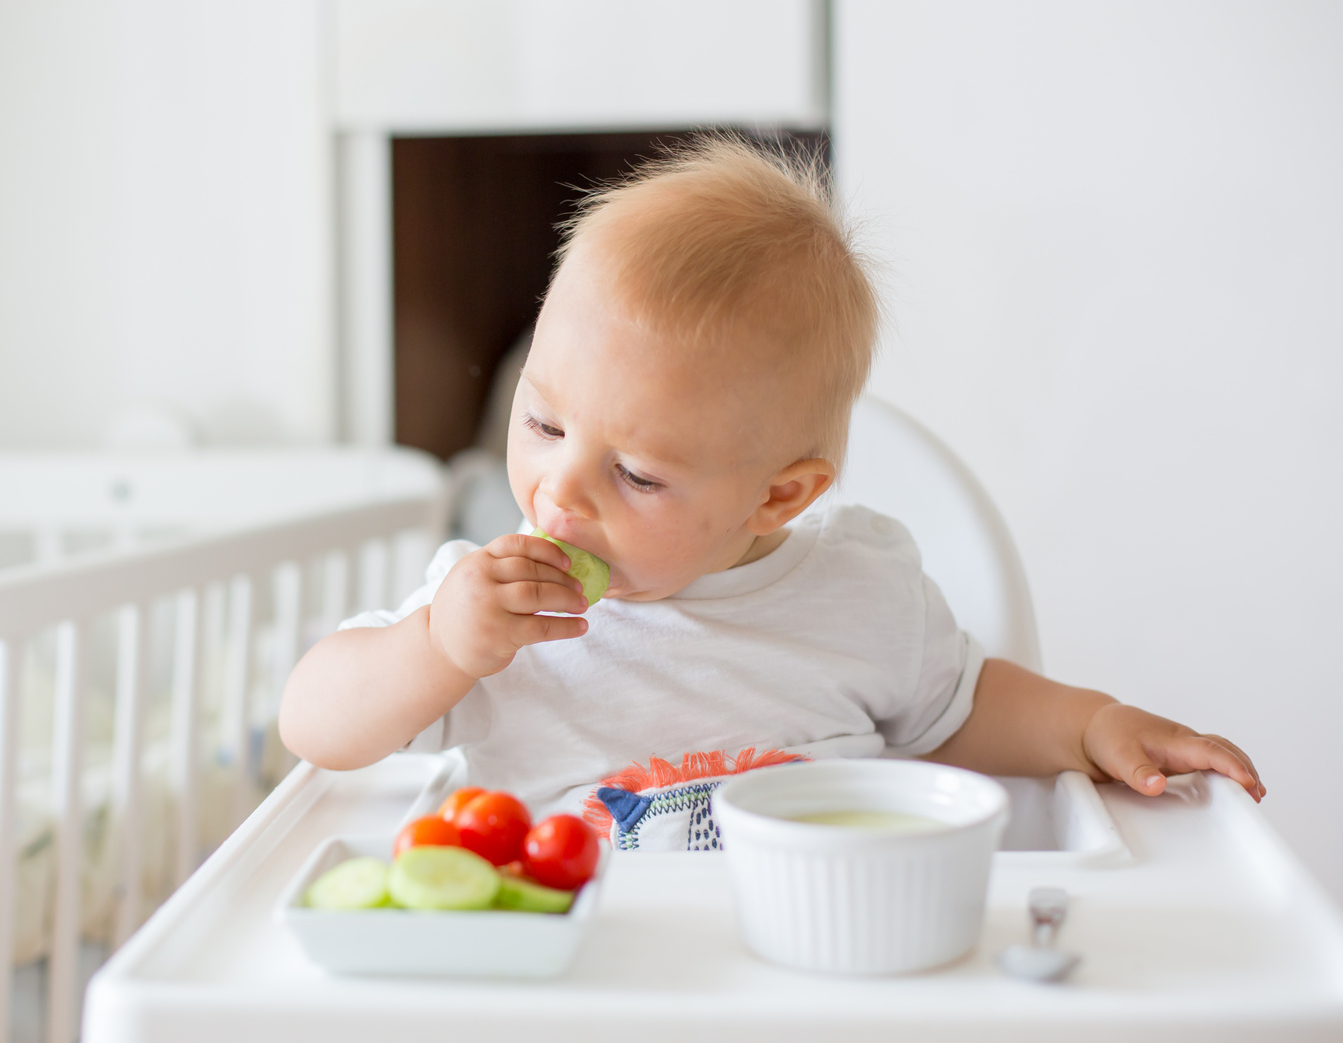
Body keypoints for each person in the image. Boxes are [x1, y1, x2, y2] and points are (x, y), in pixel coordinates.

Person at [278, 133, 1262, 844]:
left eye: (636, 473)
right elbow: (315, 725)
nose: (561, 491)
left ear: (779, 498)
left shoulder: (858, 595)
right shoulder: (493, 616)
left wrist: (1092, 723)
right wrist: (437, 646)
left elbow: (961, 710)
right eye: (541, 423)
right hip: (582, 983)